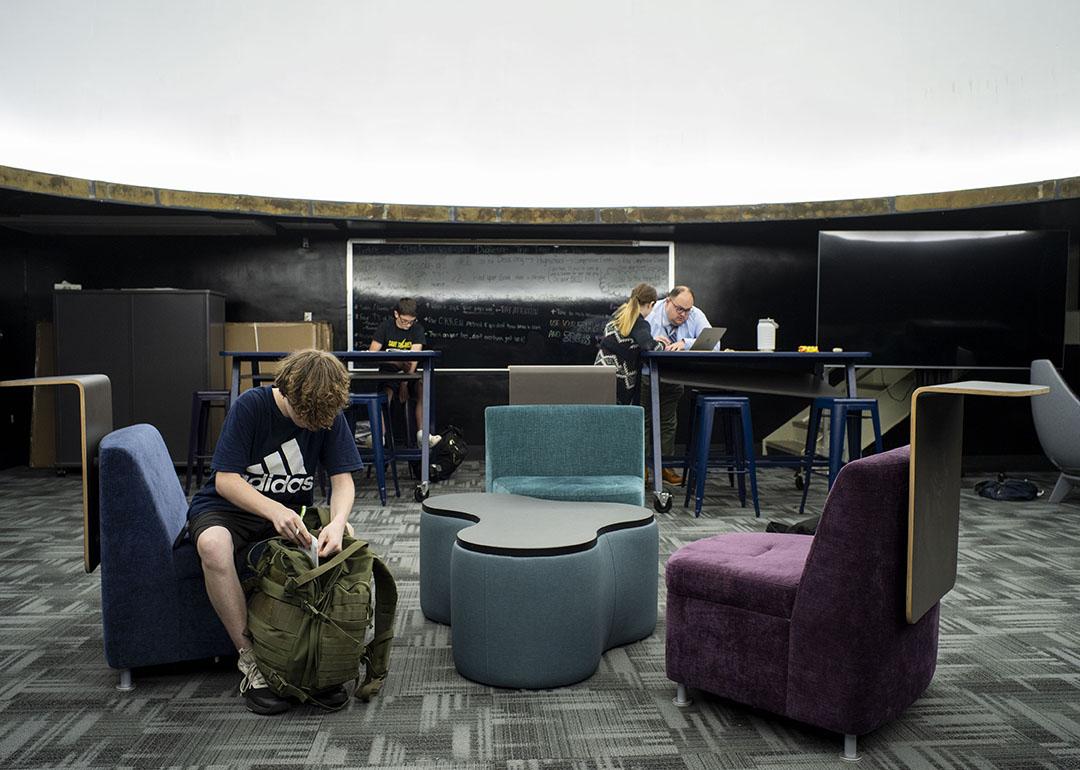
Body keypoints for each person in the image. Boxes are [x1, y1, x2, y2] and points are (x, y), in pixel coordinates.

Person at [186, 349, 363, 715]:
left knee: (344, 532)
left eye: (321, 422)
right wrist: (273, 509)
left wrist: (335, 521)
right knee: (212, 545)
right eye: (306, 419)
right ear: (286, 392)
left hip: (289, 514)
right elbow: (225, 480)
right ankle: (252, 662)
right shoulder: (251, 407)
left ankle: (321, 655)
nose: (313, 427)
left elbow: (342, 481)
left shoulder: (326, 414)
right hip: (230, 510)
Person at [642, 285, 713, 484]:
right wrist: (649, 341)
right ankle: (643, 469)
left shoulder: (695, 315)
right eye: (679, 309)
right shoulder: (651, 314)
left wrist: (686, 342)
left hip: (674, 376)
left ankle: (665, 467)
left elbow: (714, 344)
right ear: (668, 302)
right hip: (646, 374)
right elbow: (630, 338)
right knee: (643, 420)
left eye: (687, 310)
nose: (683, 314)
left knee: (668, 422)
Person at [368, 297, 433, 445]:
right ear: (396, 314)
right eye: (404, 321)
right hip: (389, 373)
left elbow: (415, 358)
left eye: (411, 321)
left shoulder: (417, 329)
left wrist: (405, 382)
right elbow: (372, 352)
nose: (408, 325)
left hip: (409, 373)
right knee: (386, 392)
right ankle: (380, 436)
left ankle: (422, 434)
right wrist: (393, 360)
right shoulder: (385, 326)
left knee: (422, 387)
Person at [595, 283, 664, 405]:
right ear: (651, 304)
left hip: (601, 375)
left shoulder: (618, 315)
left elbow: (625, 340)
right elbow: (648, 345)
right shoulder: (640, 323)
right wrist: (661, 344)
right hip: (621, 383)